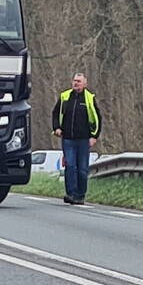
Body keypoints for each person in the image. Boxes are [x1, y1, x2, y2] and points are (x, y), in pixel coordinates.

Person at [51, 72, 101, 205]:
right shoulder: (65, 96)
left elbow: (97, 118)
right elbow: (55, 113)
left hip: (84, 139)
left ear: (85, 83)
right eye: (74, 80)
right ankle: (71, 193)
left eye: (79, 81)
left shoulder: (89, 98)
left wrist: (94, 136)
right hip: (68, 139)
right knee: (70, 166)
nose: (76, 83)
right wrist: (56, 127)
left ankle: (80, 195)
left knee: (82, 169)